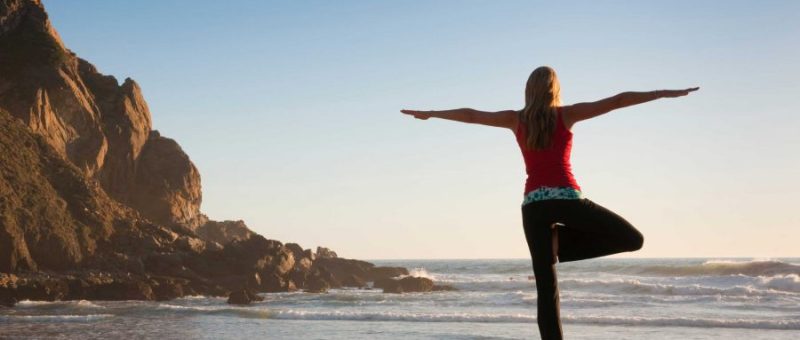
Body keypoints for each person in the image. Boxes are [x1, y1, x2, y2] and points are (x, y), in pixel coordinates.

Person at [401, 66, 698, 339]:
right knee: (632, 238)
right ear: (554, 89)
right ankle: (562, 245)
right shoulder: (566, 115)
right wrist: (661, 94)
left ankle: (557, 246)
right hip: (566, 199)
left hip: (533, 207)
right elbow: (618, 100)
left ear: (529, 90)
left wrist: (431, 113)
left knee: (547, 290)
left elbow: (472, 114)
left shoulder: (515, 119)